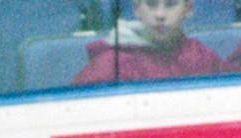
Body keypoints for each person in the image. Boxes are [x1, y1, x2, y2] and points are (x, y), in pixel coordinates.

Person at [73, 0, 225, 85]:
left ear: (188, 9)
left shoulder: (203, 57)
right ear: (137, 9)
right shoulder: (111, 65)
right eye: (151, 4)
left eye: (171, 4)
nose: (160, 15)